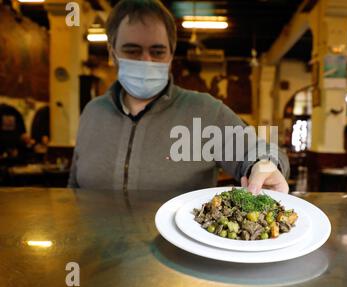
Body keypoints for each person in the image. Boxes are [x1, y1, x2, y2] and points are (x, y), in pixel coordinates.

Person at [68, 0, 289, 194]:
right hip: (96, 241)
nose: (147, 60)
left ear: (171, 54)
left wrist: (264, 164)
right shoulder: (92, 112)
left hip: (175, 242)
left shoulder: (205, 111)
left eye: (157, 51)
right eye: (132, 50)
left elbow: (258, 150)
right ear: (111, 52)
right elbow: (74, 188)